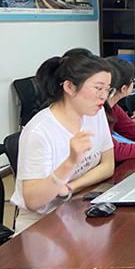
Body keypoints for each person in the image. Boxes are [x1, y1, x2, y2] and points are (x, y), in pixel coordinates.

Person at [11, 52, 115, 233]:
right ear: (69, 87)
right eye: (98, 88)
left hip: (76, 209)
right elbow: (33, 202)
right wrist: (70, 162)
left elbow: (108, 166)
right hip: (41, 225)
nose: (103, 97)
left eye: (107, 89)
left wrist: (69, 187)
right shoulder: (39, 132)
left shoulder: (95, 114)